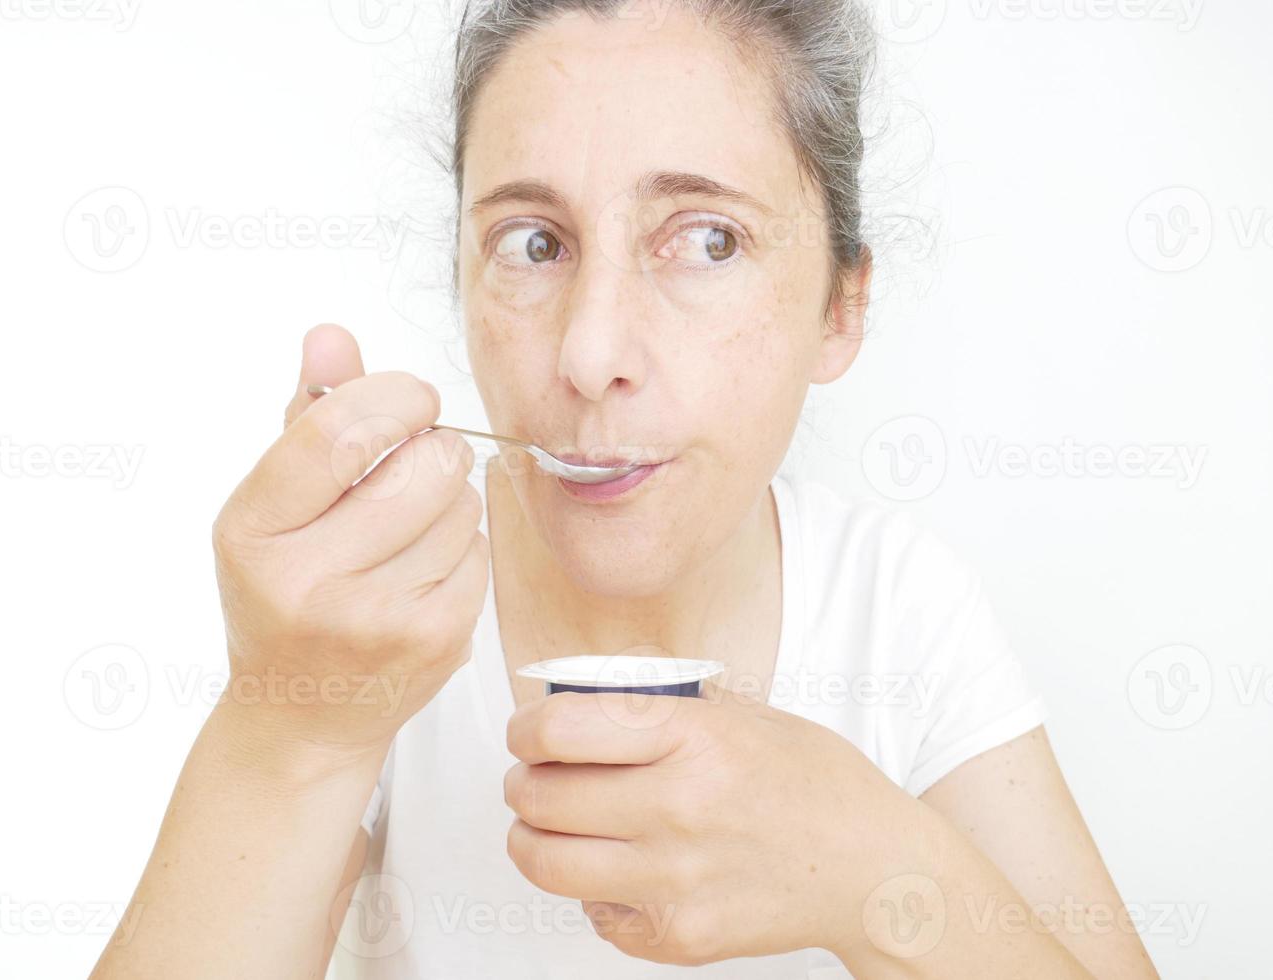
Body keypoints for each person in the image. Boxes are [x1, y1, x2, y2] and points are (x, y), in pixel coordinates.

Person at [90, 2, 1160, 977]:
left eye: (706, 240)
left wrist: (868, 862)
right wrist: (291, 727)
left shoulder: (899, 608)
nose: (590, 352)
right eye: (535, 243)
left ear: (839, 305)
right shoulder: (383, 618)